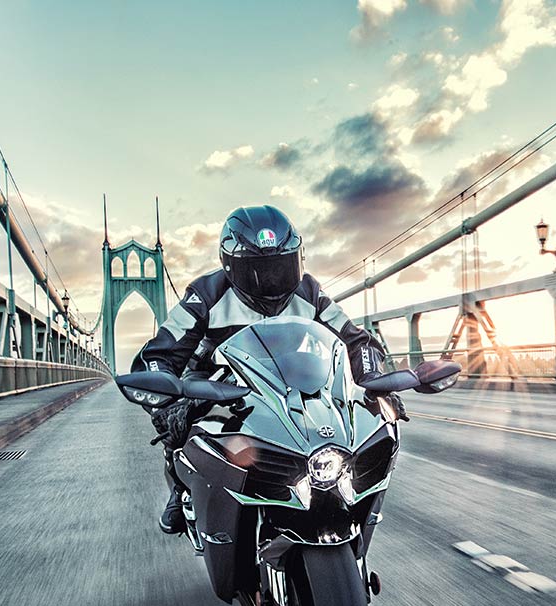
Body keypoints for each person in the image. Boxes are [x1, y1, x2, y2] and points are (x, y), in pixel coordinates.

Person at [130, 204, 404, 535]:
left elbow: (356, 341)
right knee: (181, 425)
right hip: (217, 382)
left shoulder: (310, 292)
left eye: (280, 267)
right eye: (260, 270)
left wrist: (376, 383)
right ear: (232, 267)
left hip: (294, 379)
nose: (272, 280)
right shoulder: (204, 295)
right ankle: (182, 490)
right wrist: (167, 402)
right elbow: (161, 352)